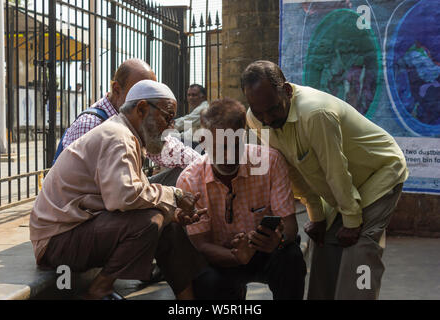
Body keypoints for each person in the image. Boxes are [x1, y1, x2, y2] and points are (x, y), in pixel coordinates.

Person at [242, 60, 409, 300]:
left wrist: (351, 221)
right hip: (341, 187)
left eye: (273, 109)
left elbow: (335, 170)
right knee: (323, 245)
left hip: (378, 172)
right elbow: (292, 169)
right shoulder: (256, 117)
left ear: (287, 91)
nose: (267, 119)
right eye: (259, 113)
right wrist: (317, 216)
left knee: (360, 250)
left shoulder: (315, 113)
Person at [30, 80, 208, 300]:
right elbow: (124, 198)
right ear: (141, 108)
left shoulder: (126, 134)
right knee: (150, 221)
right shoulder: (118, 136)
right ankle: (99, 289)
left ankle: (188, 300)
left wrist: (173, 214)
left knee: (168, 224)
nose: (170, 127)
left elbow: (138, 193)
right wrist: (175, 195)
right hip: (57, 242)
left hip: (77, 230)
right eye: (167, 117)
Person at [176, 98, 307, 300]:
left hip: (266, 252)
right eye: (220, 147)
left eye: (236, 146)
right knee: (204, 280)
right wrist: (236, 256)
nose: (228, 157)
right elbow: (201, 245)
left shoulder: (270, 162)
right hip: (220, 258)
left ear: (244, 136)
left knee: (291, 258)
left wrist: (278, 241)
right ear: (203, 141)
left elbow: (290, 226)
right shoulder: (189, 179)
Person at [61, 58, 201, 177]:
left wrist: (207, 168)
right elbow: (109, 192)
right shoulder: (91, 124)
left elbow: (173, 152)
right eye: (141, 90)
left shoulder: (138, 121)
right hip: (88, 203)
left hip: (115, 192)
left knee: (188, 171)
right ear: (117, 90)